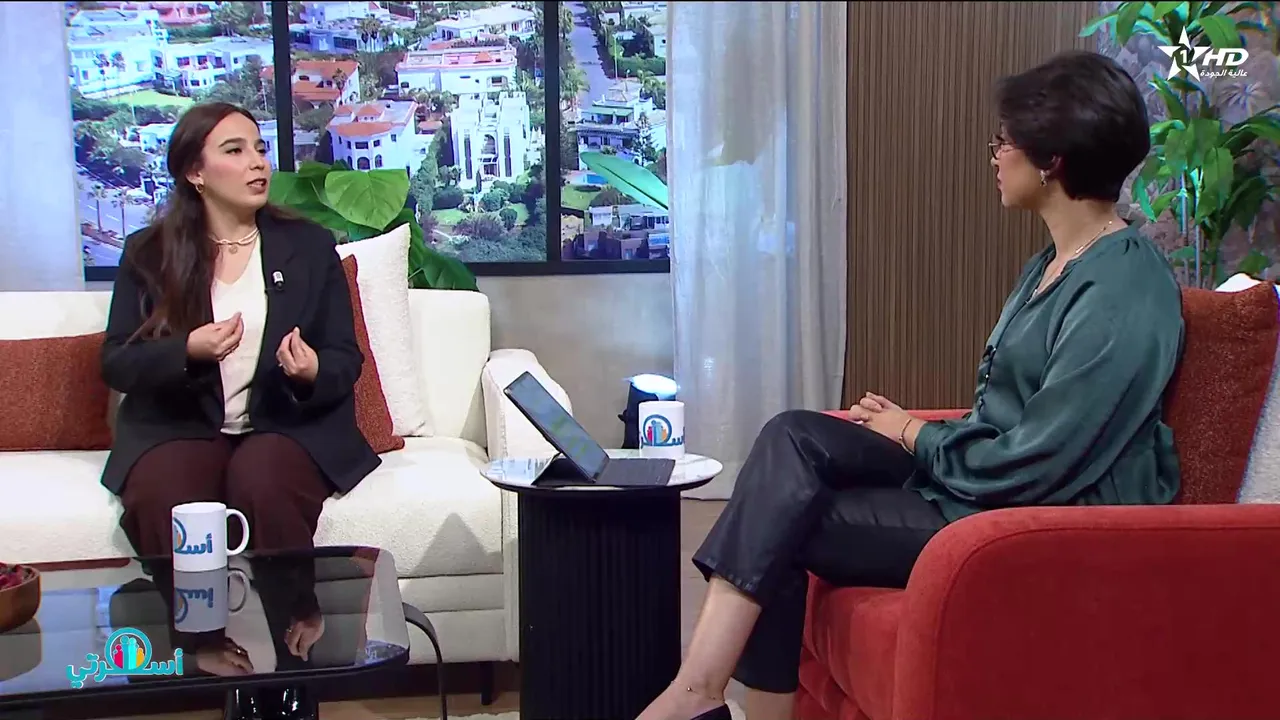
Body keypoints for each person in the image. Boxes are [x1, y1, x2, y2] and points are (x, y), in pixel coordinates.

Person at [637, 50, 1185, 720]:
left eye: (1004, 141)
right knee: (793, 438)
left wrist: (916, 433)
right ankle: (699, 692)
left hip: (1033, 516)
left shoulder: (1124, 286)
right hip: (980, 480)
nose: (995, 156)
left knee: (782, 519)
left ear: (1053, 160)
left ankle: (701, 696)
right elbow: (1003, 417)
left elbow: (1042, 458)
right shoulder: (1051, 263)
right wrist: (915, 432)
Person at [100, 102, 379, 559]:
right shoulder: (148, 253)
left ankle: (290, 602)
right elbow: (116, 362)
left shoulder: (308, 245)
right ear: (196, 172)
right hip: (179, 425)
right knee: (163, 495)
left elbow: (345, 357)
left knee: (264, 481)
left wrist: (311, 370)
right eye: (235, 151)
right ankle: (194, 609)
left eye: (259, 149)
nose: (257, 163)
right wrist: (187, 350)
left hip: (286, 424)